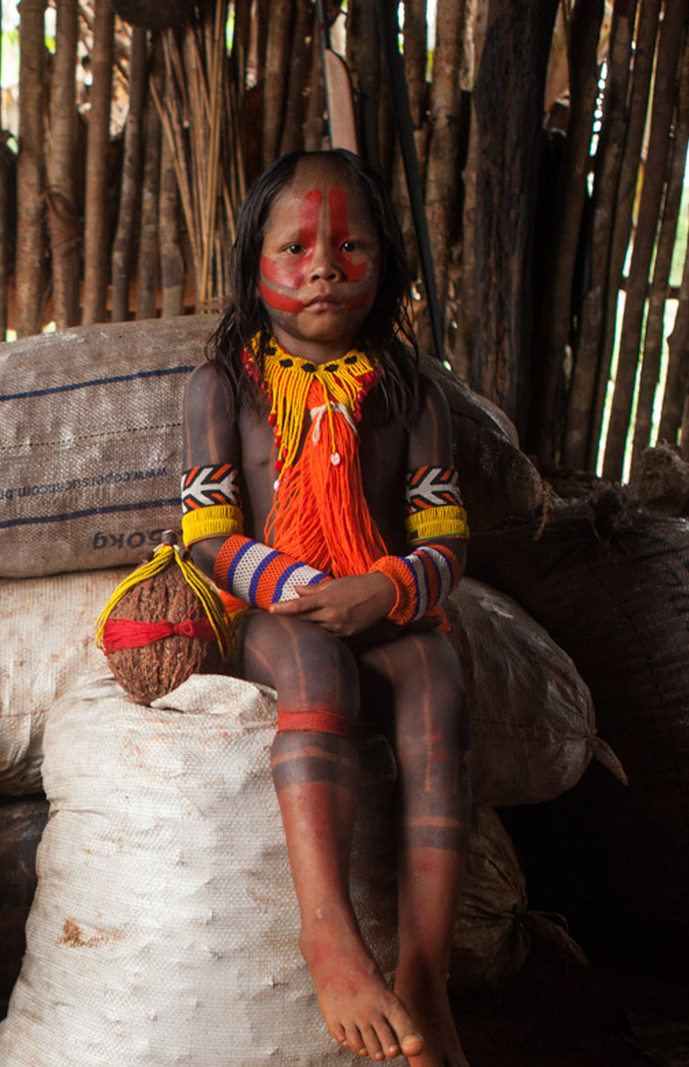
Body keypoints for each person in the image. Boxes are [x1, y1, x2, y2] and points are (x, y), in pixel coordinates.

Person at [180, 148, 471, 1066]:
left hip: (380, 599)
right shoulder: (224, 385)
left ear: (385, 263)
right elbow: (208, 535)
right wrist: (303, 592)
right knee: (318, 669)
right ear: (250, 265)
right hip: (275, 612)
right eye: (295, 246)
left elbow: (448, 535)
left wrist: (388, 587)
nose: (323, 267)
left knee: (438, 673)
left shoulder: (410, 392)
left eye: (351, 245)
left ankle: (425, 969)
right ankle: (330, 938)